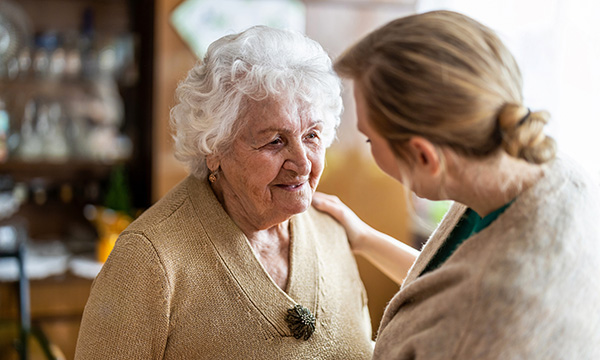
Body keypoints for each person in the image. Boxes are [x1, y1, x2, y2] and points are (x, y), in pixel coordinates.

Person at [313, 10, 600, 359]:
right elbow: (447, 285)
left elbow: (467, 305)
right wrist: (364, 238)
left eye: (370, 140)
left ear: (424, 156)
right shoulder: (546, 171)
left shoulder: (481, 326)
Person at [75, 26, 373, 359]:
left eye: (313, 136)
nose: (302, 164)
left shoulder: (332, 231)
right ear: (214, 147)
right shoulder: (149, 260)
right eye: (275, 140)